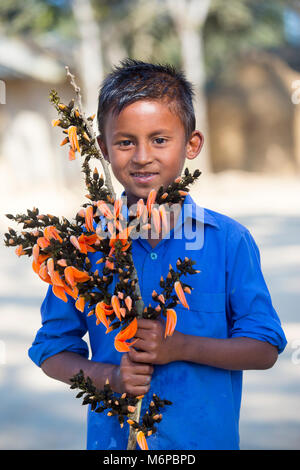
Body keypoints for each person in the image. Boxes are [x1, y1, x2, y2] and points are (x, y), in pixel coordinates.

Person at [29, 59, 287, 450]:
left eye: (160, 139)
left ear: (192, 144)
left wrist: (179, 346)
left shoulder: (229, 241)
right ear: (103, 147)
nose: (142, 155)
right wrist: (110, 377)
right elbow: (52, 349)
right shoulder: (84, 246)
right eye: (126, 141)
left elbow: (265, 347)